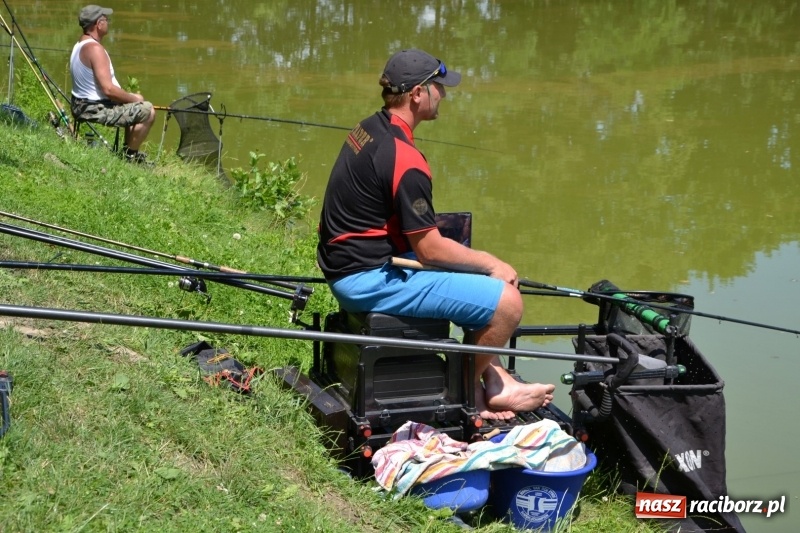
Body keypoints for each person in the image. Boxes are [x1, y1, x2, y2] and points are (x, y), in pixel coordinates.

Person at [317, 49, 555, 421]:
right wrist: (494, 263)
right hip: (367, 278)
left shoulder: (368, 128)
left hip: (347, 263)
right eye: (439, 87)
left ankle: (494, 377)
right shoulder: (405, 157)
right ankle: (470, 396)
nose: (444, 94)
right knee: (507, 302)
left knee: (469, 264)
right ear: (417, 94)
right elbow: (428, 250)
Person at [69, 5, 156, 164]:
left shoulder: (80, 44)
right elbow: (108, 89)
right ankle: (130, 157)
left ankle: (128, 152)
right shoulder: (95, 49)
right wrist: (134, 99)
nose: (108, 22)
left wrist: (132, 98)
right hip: (92, 109)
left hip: (81, 104)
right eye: (105, 19)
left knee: (138, 101)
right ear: (98, 24)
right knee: (148, 110)